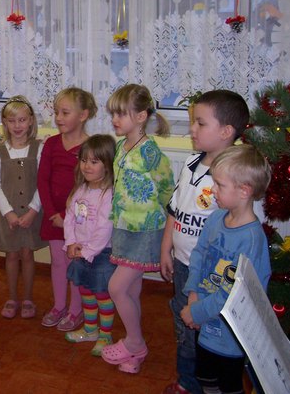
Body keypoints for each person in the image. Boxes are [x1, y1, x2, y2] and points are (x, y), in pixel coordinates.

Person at [160, 90, 250, 394]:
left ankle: (205, 383)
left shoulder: (234, 177)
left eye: (200, 123)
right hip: (184, 264)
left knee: (205, 329)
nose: (192, 129)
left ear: (226, 132)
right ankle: (187, 382)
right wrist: (166, 248)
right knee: (183, 324)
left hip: (210, 274)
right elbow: (175, 210)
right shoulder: (190, 163)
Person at [181, 144, 271, 394]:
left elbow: (233, 294)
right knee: (205, 377)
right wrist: (193, 294)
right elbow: (199, 254)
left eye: (219, 185)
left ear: (244, 191)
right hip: (203, 318)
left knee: (228, 384)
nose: (212, 190)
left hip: (229, 334)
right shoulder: (216, 218)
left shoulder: (251, 240)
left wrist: (197, 312)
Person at [101, 84, 175, 373]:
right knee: (131, 290)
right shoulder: (121, 147)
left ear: (141, 116)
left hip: (145, 231)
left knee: (116, 287)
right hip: (124, 228)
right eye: (113, 114)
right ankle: (135, 353)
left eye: (121, 114)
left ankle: (135, 343)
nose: (115, 120)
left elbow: (167, 189)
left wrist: (166, 230)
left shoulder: (150, 152)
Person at [37, 87, 97, 330]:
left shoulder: (91, 147)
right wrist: (52, 213)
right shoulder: (51, 144)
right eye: (56, 112)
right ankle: (59, 305)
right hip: (53, 217)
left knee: (75, 264)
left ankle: (76, 310)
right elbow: (42, 180)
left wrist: (67, 217)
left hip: (78, 219)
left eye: (65, 112)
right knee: (58, 262)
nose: (59, 118)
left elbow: (89, 187)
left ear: (83, 115)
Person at [0, 95, 46, 320]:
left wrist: (33, 210)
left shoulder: (38, 148)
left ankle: (28, 298)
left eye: (22, 120)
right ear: (5, 122)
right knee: (12, 256)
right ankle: (12, 297)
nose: (17, 126)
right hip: (9, 216)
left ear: (31, 120)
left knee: (27, 255)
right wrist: (8, 213)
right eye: (12, 121)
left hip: (31, 215)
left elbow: (42, 182)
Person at [63, 134, 117, 356]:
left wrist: (87, 251)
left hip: (101, 253)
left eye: (94, 161)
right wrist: (71, 243)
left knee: (102, 294)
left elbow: (104, 228)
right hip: (80, 250)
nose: (87, 166)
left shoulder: (108, 194)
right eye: (84, 160)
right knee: (85, 290)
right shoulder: (81, 189)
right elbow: (69, 218)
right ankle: (90, 329)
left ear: (108, 164)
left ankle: (105, 334)